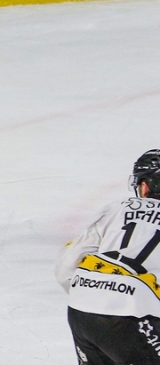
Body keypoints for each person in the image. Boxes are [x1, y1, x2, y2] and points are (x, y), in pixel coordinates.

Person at [56, 149, 160, 365]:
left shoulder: (116, 209)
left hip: (82, 307)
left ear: (144, 186)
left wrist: (97, 294)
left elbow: (66, 266)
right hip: (134, 310)